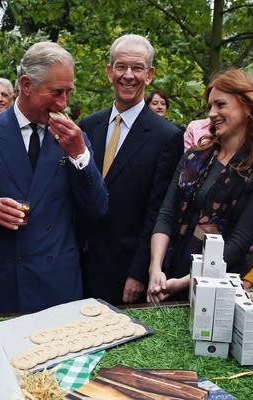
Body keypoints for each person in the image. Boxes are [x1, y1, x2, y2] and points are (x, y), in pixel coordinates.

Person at [0, 41, 109, 313]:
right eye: (56, 92)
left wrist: (80, 155)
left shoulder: (73, 137)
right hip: (6, 280)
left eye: (68, 92)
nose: (63, 103)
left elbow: (97, 208)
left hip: (58, 281)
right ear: (26, 84)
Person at [147, 69, 253, 303]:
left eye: (220, 105)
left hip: (218, 291)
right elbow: (167, 214)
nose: (212, 113)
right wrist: (155, 269)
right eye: (210, 106)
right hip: (168, 276)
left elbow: (238, 243)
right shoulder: (194, 157)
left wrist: (186, 282)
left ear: (248, 106)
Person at [78, 34, 184, 305]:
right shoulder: (89, 125)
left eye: (137, 68)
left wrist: (138, 273)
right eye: (121, 66)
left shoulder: (166, 136)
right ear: (109, 72)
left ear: (149, 75)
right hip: (79, 263)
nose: (128, 75)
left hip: (125, 269)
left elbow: (158, 210)